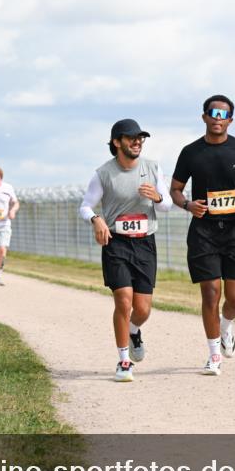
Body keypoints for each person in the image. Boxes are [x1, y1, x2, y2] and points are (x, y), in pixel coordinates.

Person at [170, 94, 235, 376]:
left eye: (224, 115)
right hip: (204, 232)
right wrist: (187, 204)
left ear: (230, 121)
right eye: (213, 113)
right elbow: (175, 189)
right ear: (205, 117)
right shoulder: (190, 153)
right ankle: (213, 356)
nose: (218, 119)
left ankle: (226, 327)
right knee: (210, 293)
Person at [79, 119, 172, 382]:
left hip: (145, 242)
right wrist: (96, 219)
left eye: (140, 138)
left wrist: (158, 197)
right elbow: (85, 206)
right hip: (116, 242)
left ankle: (134, 331)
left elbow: (166, 207)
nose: (137, 142)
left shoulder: (153, 168)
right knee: (123, 299)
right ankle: (123, 361)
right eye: (131, 138)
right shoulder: (103, 173)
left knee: (142, 309)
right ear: (117, 142)